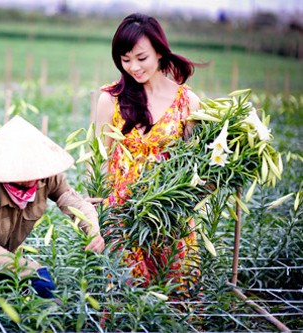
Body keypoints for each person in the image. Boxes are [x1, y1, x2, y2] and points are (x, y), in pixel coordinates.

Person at [0, 116, 105, 306]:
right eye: (23, 172)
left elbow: (73, 201)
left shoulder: (45, 173)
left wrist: (93, 230)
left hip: (3, 254)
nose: (32, 178)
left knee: (8, 311)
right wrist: (31, 270)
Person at [95, 13, 202, 289]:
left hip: (170, 218)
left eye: (141, 58)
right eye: (125, 59)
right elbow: (99, 160)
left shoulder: (187, 102)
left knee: (178, 298)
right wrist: (100, 217)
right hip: (123, 220)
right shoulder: (110, 99)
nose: (133, 67)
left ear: (159, 52)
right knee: (126, 303)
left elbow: (195, 167)